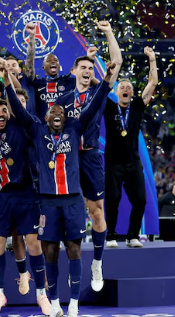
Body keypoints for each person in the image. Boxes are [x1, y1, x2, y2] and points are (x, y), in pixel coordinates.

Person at [4, 57, 116, 317]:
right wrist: (5, 79)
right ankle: (54, 302)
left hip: (73, 200)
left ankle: (74, 303)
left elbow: (96, 103)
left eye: (61, 112)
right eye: (52, 111)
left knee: (74, 248)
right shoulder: (37, 130)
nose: (57, 113)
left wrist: (107, 79)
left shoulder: (75, 128)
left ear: (66, 118)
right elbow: (18, 110)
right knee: (50, 252)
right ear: (45, 117)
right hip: (48, 201)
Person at [54, 20, 122, 292]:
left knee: (97, 211)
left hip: (91, 157)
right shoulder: (62, 101)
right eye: (82, 67)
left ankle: (97, 262)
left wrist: (108, 33)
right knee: (69, 212)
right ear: (73, 71)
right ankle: (69, 262)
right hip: (68, 159)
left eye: (90, 68)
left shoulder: (98, 92)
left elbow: (116, 63)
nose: (87, 70)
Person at [0, 93, 51, 317]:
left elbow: (18, 109)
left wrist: (8, 82)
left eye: (4, 110)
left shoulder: (19, 127)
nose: (1, 114)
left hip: (26, 193)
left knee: (34, 244)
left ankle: (41, 295)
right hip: (2, 195)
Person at [104, 47, 158, 249]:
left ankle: (132, 235)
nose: (126, 89)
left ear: (132, 93)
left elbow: (153, 83)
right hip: (113, 162)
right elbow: (102, 87)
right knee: (113, 199)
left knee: (140, 200)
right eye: (122, 87)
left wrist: (152, 59)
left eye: (129, 87)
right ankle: (110, 235)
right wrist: (110, 72)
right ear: (116, 92)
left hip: (133, 162)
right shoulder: (109, 106)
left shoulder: (137, 106)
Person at [25, 22, 100, 120]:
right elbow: (29, 64)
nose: (53, 62)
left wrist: (89, 59)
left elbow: (98, 86)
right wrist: (32, 37)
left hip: (66, 127)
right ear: (43, 67)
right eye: (49, 60)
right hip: (42, 127)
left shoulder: (70, 82)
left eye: (55, 60)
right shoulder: (37, 84)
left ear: (59, 66)